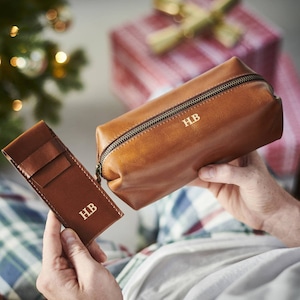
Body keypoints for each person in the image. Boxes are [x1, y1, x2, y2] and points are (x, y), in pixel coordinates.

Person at [35, 151, 300, 299]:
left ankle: (147, 242)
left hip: (127, 288)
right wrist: (278, 213)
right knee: (160, 125)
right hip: (255, 241)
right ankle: (148, 239)